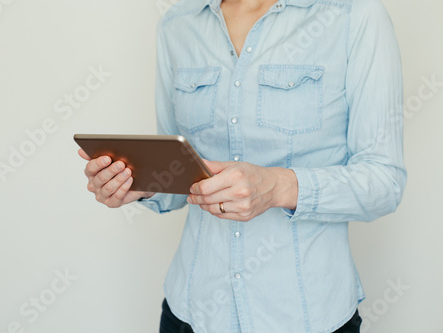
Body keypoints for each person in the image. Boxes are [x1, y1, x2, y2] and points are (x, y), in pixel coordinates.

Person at [78, 0, 407, 331]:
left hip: (304, 317)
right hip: (191, 313)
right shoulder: (178, 23)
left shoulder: (354, 15)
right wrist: (140, 184)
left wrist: (277, 187)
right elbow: (180, 175)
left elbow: (384, 181)